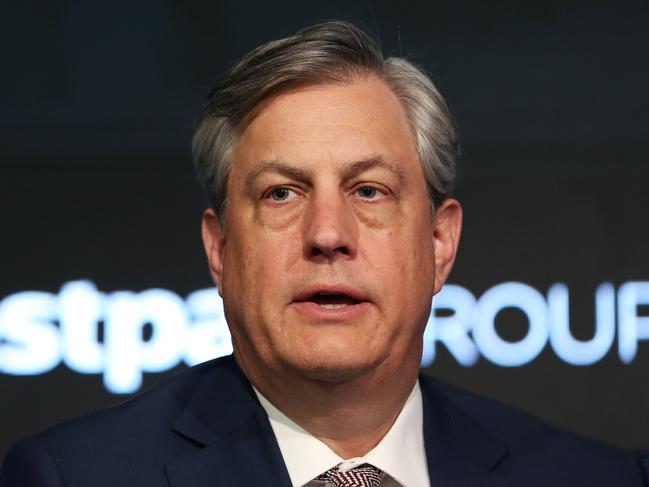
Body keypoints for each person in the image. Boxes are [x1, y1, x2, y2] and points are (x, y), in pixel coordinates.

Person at [1, 20, 647, 487]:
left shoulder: (595, 475)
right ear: (220, 248)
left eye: (369, 190)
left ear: (438, 242)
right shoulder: (72, 476)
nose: (327, 233)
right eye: (282, 192)